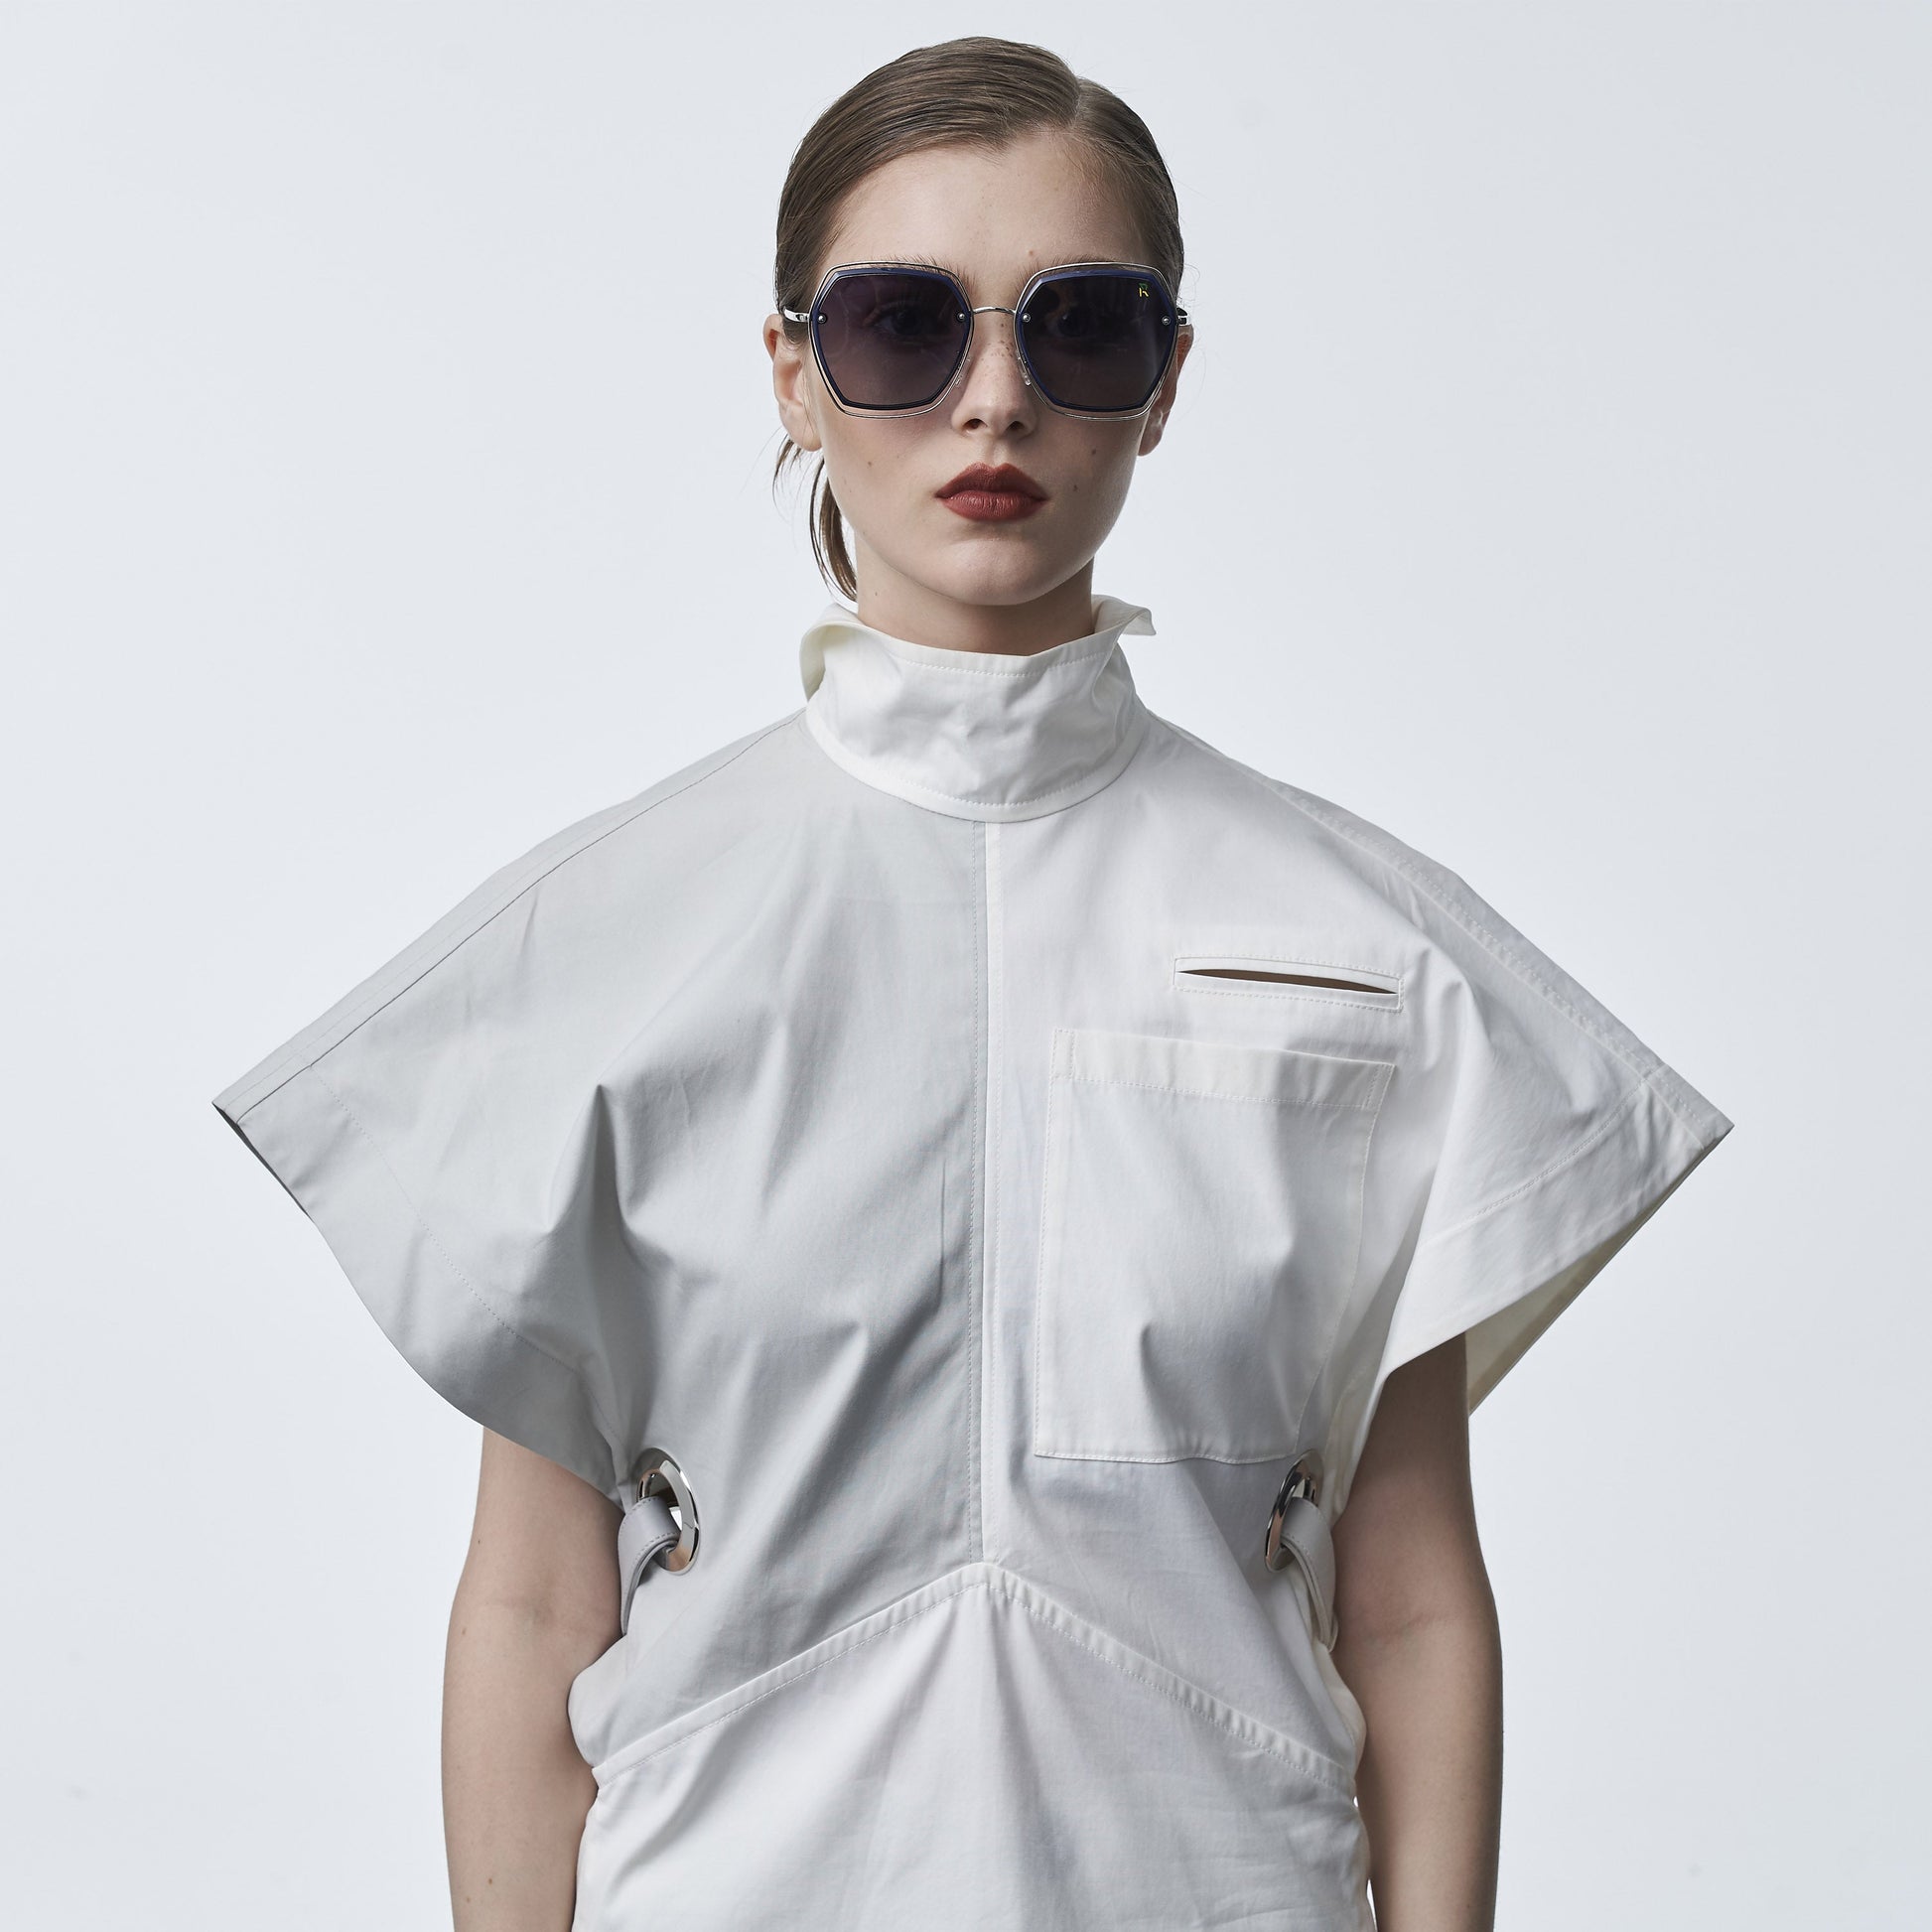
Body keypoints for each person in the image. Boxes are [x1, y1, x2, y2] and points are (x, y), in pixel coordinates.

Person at [211, 35, 1732, 1932]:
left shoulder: (1367, 949)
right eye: (901, 325)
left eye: (1078, 325)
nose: (992, 398)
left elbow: (1411, 1599)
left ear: (1165, 378)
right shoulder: (607, 944)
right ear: (792, 370)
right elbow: (532, 1601)